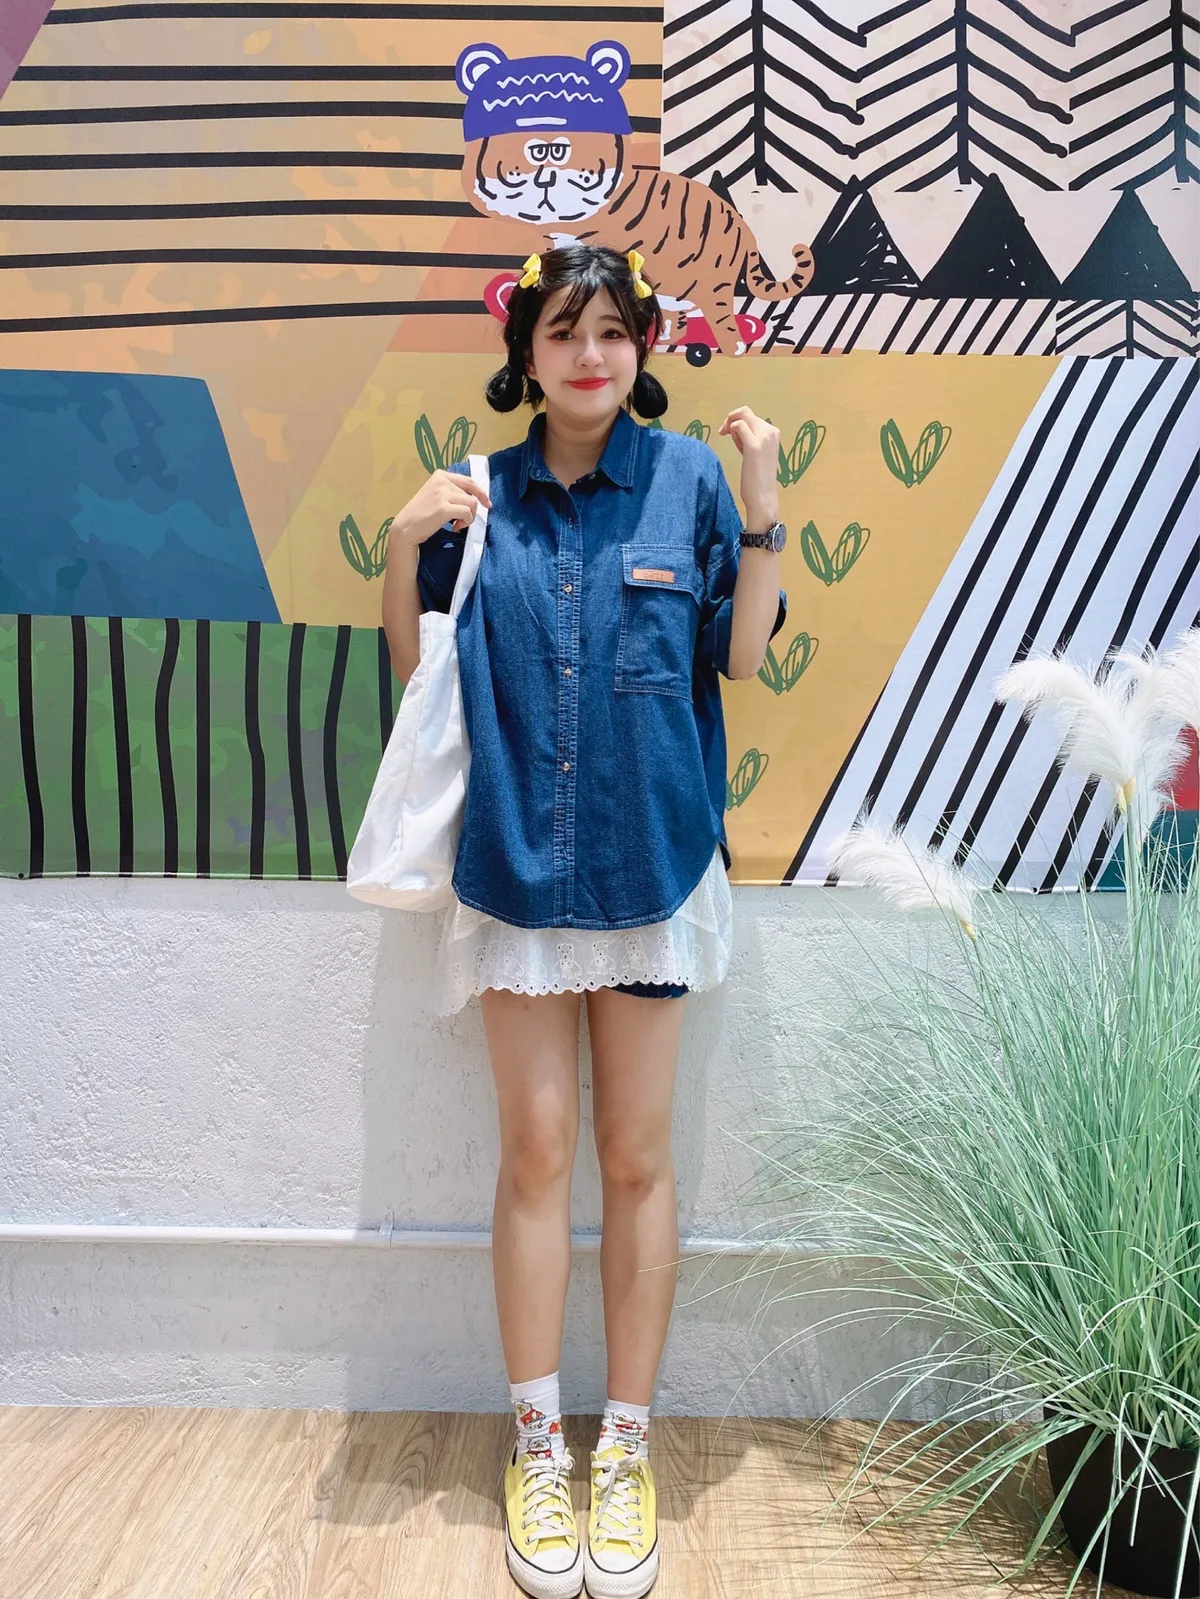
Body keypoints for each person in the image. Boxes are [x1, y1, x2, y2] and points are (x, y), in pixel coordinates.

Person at [380, 243, 788, 1599]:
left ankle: (626, 1446)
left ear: (644, 347)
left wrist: (766, 507)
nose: (592, 355)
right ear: (527, 353)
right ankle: (537, 1443)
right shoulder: (477, 495)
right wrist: (402, 544)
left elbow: (741, 655)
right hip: (515, 867)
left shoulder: (688, 483)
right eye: (566, 330)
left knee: (634, 1154)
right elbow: (419, 677)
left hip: (652, 863)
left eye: (614, 330)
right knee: (538, 1150)